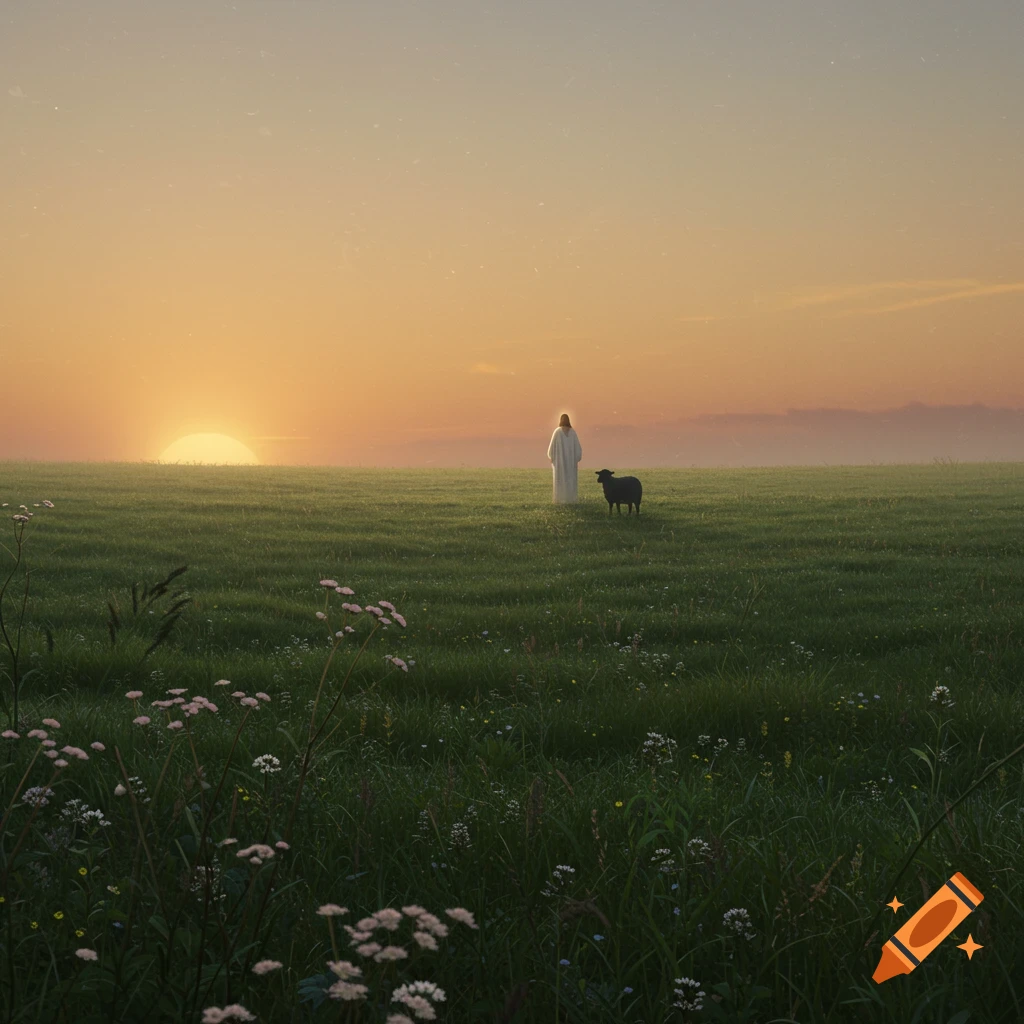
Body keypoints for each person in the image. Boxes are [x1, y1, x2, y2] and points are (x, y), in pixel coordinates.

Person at [547, 413, 583, 503]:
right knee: (570, 479)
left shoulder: (557, 432)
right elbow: (578, 450)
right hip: (571, 463)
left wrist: (551, 457)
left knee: (560, 480)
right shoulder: (573, 432)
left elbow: (551, 448)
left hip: (559, 463)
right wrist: (576, 459)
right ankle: (570, 499)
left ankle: (560, 499)